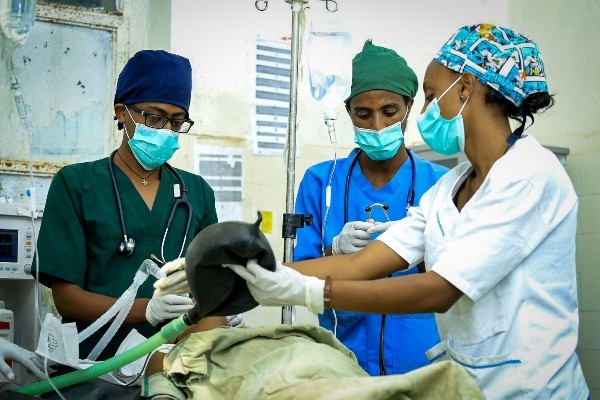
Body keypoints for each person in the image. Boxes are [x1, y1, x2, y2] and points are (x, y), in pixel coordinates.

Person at [205, 24, 588, 398]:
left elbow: (438, 291)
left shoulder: (528, 177)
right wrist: (243, 274)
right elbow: (361, 266)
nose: (423, 110)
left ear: (466, 88)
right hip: (467, 387)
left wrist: (305, 290)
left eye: (430, 94)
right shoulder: (448, 188)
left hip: (531, 389)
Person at [34, 50, 227, 362]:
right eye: (155, 117)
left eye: (177, 121)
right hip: (99, 359)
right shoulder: (77, 184)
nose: (166, 129)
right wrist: (145, 310)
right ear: (122, 112)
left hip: (182, 353)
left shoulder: (197, 192)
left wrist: (222, 310)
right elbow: (66, 298)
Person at [294, 40, 448, 375]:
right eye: (363, 114)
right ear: (348, 111)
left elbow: (453, 276)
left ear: (409, 106)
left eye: (389, 112)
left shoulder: (442, 183)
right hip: (341, 358)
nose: (377, 126)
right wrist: (335, 251)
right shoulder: (320, 182)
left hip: (421, 360)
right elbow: (298, 275)